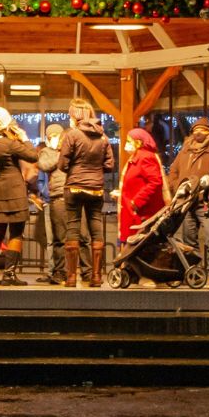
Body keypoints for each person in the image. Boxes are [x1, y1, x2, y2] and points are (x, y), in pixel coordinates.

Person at [0, 105, 41, 286]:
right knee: (16, 233)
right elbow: (33, 156)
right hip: (14, 192)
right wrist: (25, 138)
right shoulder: (8, 144)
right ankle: (9, 275)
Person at [57, 98, 114, 288]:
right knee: (96, 227)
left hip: (73, 187)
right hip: (96, 188)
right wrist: (94, 170)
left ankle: (71, 277)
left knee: (73, 227)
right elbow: (109, 165)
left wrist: (76, 169)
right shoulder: (103, 137)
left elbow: (62, 164)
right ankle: (96, 277)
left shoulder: (72, 135)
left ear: (76, 115)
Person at [168, 119, 209, 273]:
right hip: (186, 203)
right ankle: (194, 271)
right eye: (196, 130)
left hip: (208, 202)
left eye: (203, 130)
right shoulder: (184, 152)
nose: (198, 133)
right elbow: (173, 172)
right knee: (188, 240)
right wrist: (178, 187)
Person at [32, 123, 70, 284]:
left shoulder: (68, 152)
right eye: (50, 137)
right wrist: (45, 193)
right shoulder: (46, 154)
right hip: (50, 200)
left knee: (64, 237)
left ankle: (64, 270)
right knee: (51, 239)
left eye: (55, 136)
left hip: (65, 198)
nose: (52, 139)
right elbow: (41, 177)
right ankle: (52, 270)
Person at [116, 127, 167, 248]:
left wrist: (136, 202)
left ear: (138, 142)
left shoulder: (145, 157)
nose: (127, 144)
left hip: (141, 214)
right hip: (132, 211)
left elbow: (155, 181)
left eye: (129, 141)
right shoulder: (136, 157)